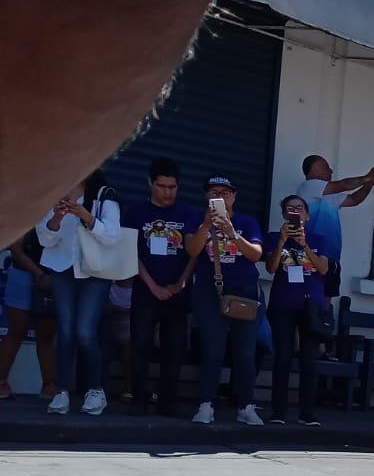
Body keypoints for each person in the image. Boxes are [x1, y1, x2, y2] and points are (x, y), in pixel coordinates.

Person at [36, 169, 121, 415]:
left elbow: (113, 236)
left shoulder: (104, 195)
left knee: (85, 332)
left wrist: (86, 216)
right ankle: (61, 392)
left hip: (94, 271)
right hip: (62, 268)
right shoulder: (54, 193)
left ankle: (95, 391)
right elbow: (44, 239)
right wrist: (57, 217)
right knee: (65, 332)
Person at [184, 175, 264, 426]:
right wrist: (206, 226)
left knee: (245, 352)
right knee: (212, 350)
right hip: (209, 291)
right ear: (206, 196)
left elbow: (256, 255)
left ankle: (246, 406)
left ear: (234, 197)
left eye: (226, 193)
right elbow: (192, 250)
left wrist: (231, 232)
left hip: (244, 292)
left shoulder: (247, 222)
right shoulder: (197, 220)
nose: (220, 197)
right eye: (214, 192)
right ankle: (206, 404)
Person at [124, 158, 199, 416]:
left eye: (172, 187)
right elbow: (130, 253)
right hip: (145, 291)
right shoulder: (135, 213)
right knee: (140, 346)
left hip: (178, 293)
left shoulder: (188, 213)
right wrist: (153, 286)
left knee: (174, 349)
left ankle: (167, 401)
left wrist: (181, 282)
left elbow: (193, 252)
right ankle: (139, 399)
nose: (167, 192)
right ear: (150, 182)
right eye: (162, 186)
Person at [264, 193, 330, 427]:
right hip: (283, 303)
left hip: (310, 304)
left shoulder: (319, 239)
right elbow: (271, 268)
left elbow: (323, 269)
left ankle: (307, 413)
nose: (295, 212)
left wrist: (305, 245)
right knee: (283, 357)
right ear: (284, 214)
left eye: (300, 208)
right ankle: (278, 412)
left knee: (309, 360)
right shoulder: (274, 237)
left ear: (307, 216)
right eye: (290, 208)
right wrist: (282, 241)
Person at [293, 155, 374, 298]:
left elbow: (354, 200)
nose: (331, 170)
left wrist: (370, 183)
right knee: (307, 300)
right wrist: (367, 177)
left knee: (325, 303)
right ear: (315, 169)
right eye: (327, 167)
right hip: (312, 255)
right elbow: (343, 185)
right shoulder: (308, 187)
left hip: (331, 257)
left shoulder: (329, 194)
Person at [0, 231, 58, 401]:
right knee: (17, 330)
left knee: (46, 334)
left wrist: (47, 276)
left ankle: (49, 385)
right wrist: (39, 274)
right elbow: (16, 251)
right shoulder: (24, 215)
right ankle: (1, 382)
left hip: (53, 276)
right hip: (23, 274)